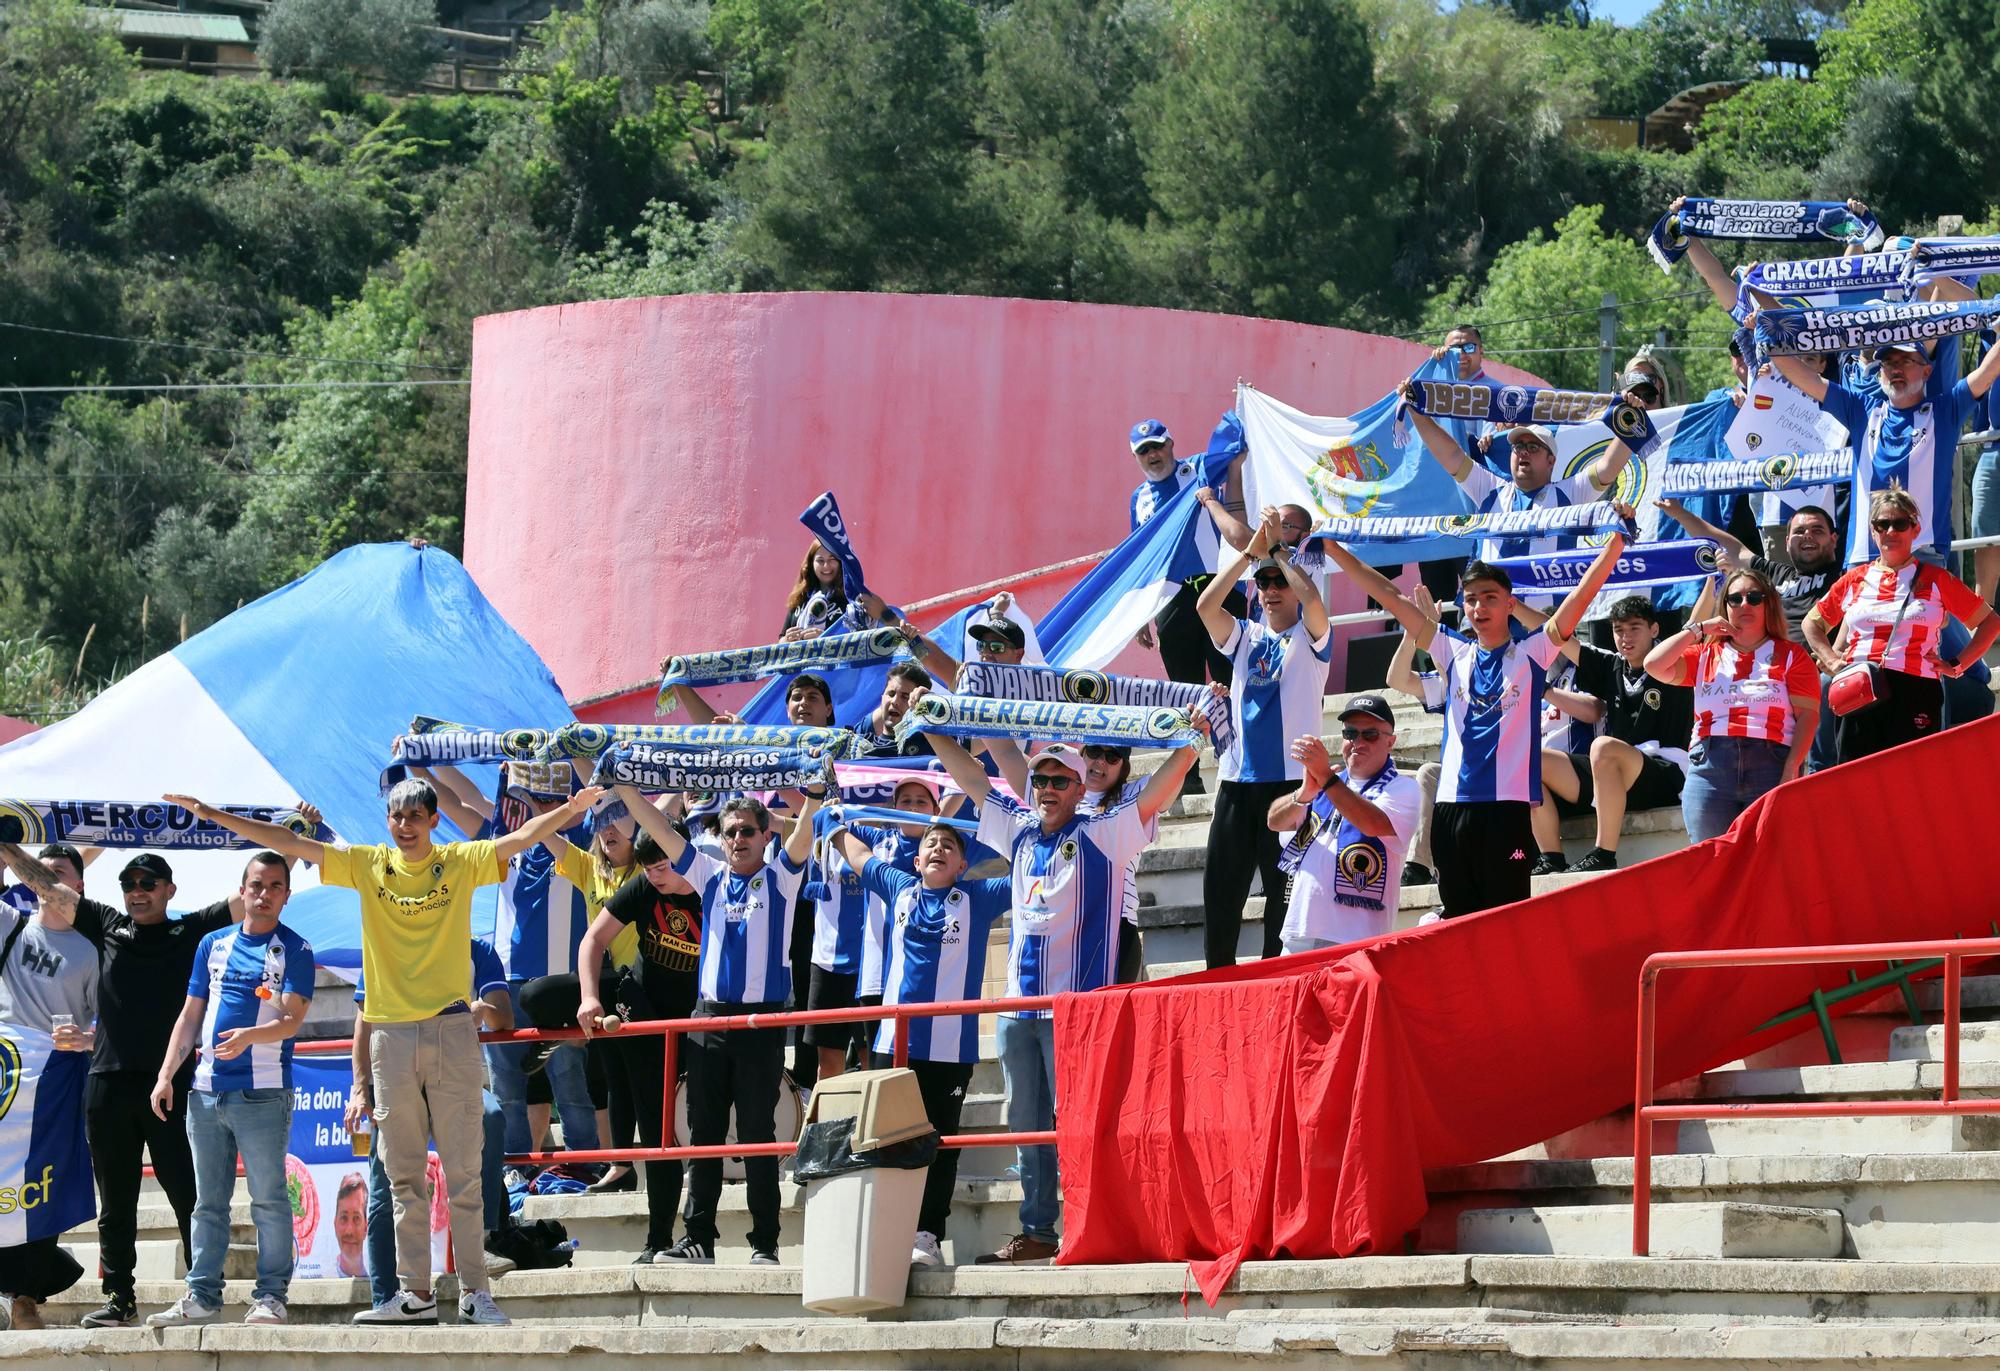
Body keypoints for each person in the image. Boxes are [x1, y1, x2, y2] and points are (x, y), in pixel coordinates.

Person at [163, 777, 601, 1328]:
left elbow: (523, 837)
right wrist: (211, 811)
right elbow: (288, 842)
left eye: (416, 816)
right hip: (390, 1037)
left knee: (465, 1176)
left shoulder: (460, 861)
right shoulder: (369, 864)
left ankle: (475, 1293)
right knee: (402, 1179)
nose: (405, 825)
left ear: (433, 821)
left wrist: (573, 807)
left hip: (448, 1031)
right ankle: (415, 1295)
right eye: (397, 816)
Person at [921, 716, 1202, 1265]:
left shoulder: (1102, 831)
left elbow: (1154, 797)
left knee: (1078, 1122)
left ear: (1080, 789)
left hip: (1075, 1008)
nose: (1048, 789)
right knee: (1027, 1124)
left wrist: (1191, 742)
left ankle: (1091, 1227)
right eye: (1041, 780)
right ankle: (1038, 1230)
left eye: (1060, 781)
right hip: (1019, 1008)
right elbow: (975, 782)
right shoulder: (1020, 830)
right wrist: (929, 727)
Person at [0, 832, 305, 1331]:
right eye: (129, 883)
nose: (137, 891)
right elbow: (48, 889)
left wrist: (295, 837)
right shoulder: (105, 925)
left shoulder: (192, 933)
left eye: (148, 883)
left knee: (189, 1194)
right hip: (107, 1082)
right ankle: (119, 1298)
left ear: (169, 890)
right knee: (115, 1201)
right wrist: (7, 848)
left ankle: (200, 1293)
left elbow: (256, 888)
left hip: (171, 1084)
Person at [1323, 517, 1634, 919]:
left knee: (1506, 924)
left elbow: (1579, 599)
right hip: (1452, 811)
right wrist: (1334, 550)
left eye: (1489, 597)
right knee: (1457, 922)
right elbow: (1388, 595)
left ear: (1509, 604)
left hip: (1506, 815)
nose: (1479, 607)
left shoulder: (1532, 654)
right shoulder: (1450, 650)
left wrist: (1613, 547)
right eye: (1471, 599)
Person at [633, 788, 821, 1266]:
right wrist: (620, 788)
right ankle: (698, 1239)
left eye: (748, 831)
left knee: (757, 1133)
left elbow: (802, 835)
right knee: (704, 1134)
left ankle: (765, 1243)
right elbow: (658, 829)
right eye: (731, 830)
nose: (738, 838)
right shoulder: (707, 875)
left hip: (761, 1023)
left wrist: (815, 798)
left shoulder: (781, 879)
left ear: (764, 837)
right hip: (709, 1020)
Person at [822, 817, 1011, 1267]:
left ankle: (927, 1236)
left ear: (963, 864)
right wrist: (832, 820)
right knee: (887, 1141)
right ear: (916, 857)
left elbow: (1027, 874)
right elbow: (860, 856)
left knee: (939, 1144)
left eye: (950, 845)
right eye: (931, 844)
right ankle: (888, 1231)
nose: (939, 849)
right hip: (893, 1045)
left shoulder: (979, 898)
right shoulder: (899, 886)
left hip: (952, 1050)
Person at [145, 852, 314, 1327]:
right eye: (256, 885)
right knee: (208, 1202)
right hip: (203, 1091)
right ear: (242, 891)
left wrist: (249, 1038)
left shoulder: (295, 950)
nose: (264, 894)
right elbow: (190, 1014)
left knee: (268, 1198)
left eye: (275, 886)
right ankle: (202, 1296)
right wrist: (165, 1074)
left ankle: (271, 1297)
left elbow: (292, 1019)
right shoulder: (212, 944)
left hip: (262, 1093)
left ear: (286, 894)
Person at [422, 762, 601, 1172]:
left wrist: (576, 759)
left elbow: (602, 800)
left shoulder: (583, 840)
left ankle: (585, 1166)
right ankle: (515, 1172)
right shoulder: (504, 845)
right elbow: (454, 802)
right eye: (535, 798)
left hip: (560, 984)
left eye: (553, 799)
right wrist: (422, 762)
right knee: (507, 1089)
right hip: (505, 984)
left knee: (569, 1080)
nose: (542, 806)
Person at [1196, 509, 1332, 967]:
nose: (1272, 589)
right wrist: (1249, 556)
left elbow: (1313, 601)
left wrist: (1274, 551)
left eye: (1280, 581)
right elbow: (1205, 608)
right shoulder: (1244, 635)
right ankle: (1217, 986)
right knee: (1220, 898)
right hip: (1236, 785)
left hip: (1292, 787)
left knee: (1283, 902)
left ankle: (1279, 983)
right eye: (1265, 582)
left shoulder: (1313, 637)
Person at [348, 937, 516, 1308]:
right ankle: (390, 1298)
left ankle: (482, 1251)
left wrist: (480, 1010)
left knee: (490, 1121)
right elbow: (365, 1018)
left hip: (453, 1071)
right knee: (384, 1189)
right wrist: (359, 1088)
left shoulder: (476, 950)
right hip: (399, 1069)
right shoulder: (388, 937)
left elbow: (505, 1015)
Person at [574, 827, 702, 1264]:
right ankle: (657, 1240)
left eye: (664, 866)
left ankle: (700, 1235)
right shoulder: (643, 886)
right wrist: (590, 998)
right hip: (645, 1017)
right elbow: (593, 940)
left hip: (702, 1019)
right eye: (649, 869)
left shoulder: (712, 881)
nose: (658, 876)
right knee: (657, 1134)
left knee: (702, 1132)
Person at [1771, 327, 2000, 567]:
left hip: (1921, 556)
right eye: (1888, 363)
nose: (1896, 369)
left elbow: (1987, 372)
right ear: (1880, 373)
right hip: (1863, 559)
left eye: (1906, 360)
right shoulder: (1861, 408)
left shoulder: (1945, 410)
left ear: (1927, 371)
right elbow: (1806, 378)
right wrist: (1769, 340)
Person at [1803, 489, 2000, 765]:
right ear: (1873, 532)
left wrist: (1957, 665)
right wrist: (1833, 661)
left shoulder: (1936, 579)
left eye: (1900, 523)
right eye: (1882, 525)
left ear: (1915, 529)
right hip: (1860, 689)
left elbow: (1990, 623)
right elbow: (1811, 623)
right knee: (1859, 781)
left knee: (1913, 781)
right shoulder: (1855, 579)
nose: (1890, 531)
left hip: (1916, 689)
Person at [1659, 498, 1844, 770]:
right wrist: (1678, 512)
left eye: (1817, 530)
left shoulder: (1845, 576)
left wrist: (1834, 654)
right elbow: (1728, 546)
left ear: (1834, 539)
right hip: (1762, 678)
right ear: (1786, 542)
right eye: (1799, 532)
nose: (1808, 536)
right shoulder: (1774, 575)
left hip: (1810, 679)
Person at [0, 842, 102, 1329]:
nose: (42, 881)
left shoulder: (93, 950)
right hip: (4, 1071)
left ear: (77, 886)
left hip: (56, 1080)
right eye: (38, 872)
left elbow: (112, 1023)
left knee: (43, 1182)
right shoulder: (10, 924)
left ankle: (26, 1296)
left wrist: (85, 1038)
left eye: (55, 874)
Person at [1645, 570, 1820, 841]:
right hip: (1710, 765)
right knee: (1710, 862)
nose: (1744, 605)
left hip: (1771, 765)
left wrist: (1791, 769)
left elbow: (1808, 718)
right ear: (1724, 607)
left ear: (1769, 603)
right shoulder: (1704, 654)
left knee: (1767, 861)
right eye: (1734, 599)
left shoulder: (1792, 656)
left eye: (1754, 597)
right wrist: (1699, 629)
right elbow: (1653, 665)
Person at [1399, 377, 1638, 569]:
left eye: (1533, 447)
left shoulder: (1570, 494)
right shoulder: (1490, 488)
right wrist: (1415, 412)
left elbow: (1608, 466)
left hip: (1544, 620)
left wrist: (1631, 418)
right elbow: (1450, 454)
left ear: (1551, 461)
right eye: (1518, 447)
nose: (1523, 452)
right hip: (1487, 615)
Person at [1529, 596, 1694, 874]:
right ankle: (1551, 858)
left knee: (1603, 746)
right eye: (1619, 630)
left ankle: (1604, 853)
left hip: (1665, 771)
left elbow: (1695, 624)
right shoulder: (1611, 665)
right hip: (1614, 773)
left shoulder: (1674, 662)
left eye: (1634, 628)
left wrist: (1712, 582)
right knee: (1529, 761)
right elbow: (1556, 633)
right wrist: (1510, 602)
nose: (1625, 637)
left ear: (1654, 630)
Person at [1266, 696, 1421, 953]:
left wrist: (1326, 779)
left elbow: (1372, 823)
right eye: (1350, 733)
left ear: (1390, 742)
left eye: (1369, 734)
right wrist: (1305, 792)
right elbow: (1275, 822)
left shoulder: (1403, 788)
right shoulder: (1328, 783)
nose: (1357, 742)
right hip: (1299, 932)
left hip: (1356, 940)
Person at [1129, 419, 1242, 693]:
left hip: (1220, 585)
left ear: (1170, 444)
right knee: (1183, 689)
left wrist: (1242, 407)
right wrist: (1139, 615)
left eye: (1157, 446)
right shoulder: (1139, 498)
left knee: (1230, 680)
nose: (1152, 455)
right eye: (1144, 451)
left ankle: (1237, 735)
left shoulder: (1199, 468)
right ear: (1136, 457)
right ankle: (1194, 737)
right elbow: (1141, 556)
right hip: (1171, 596)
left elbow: (1237, 450)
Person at [781, 540, 855, 641]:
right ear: (811, 563)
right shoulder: (800, 598)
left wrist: (825, 638)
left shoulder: (850, 599)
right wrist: (786, 639)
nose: (826, 566)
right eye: (820, 560)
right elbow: (781, 639)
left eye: (832, 559)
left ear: (840, 562)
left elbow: (857, 637)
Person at [334, 1174, 368, 1279]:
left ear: (366, 1227)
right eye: (344, 1218)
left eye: (356, 1218)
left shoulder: (380, 1284)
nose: (349, 1231)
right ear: (335, 1223)